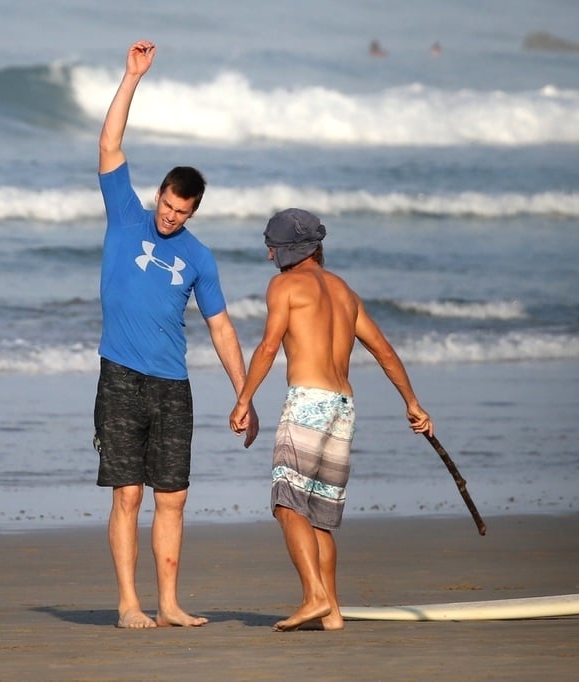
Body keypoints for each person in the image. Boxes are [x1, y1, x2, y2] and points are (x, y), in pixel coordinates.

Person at [94, 39, 259, 629]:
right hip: (120, 376)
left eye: (179, 211)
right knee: (127, 496)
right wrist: (131, 77)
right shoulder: (126, 214)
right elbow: (110, 143)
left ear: (193, 212)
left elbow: (220, 327)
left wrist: (244, 395)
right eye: (165, 204)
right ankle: (128, 603)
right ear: (158, 194)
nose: (169, 216)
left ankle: (167, 603)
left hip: (171, 385)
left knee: (173, 498)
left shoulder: (198, 257)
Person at [229, 208, 433, 631]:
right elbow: (385, 351)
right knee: (319, 515)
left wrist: (244, 399)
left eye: (273, 249)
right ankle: (333, 612)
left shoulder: (284, 286)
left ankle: (314, 596)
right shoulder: (344, 292)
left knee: (288, 504)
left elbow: (268, 347)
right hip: (343, 406)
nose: (269, 257)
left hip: (308, 403)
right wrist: (412, 403)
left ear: (288, 251)